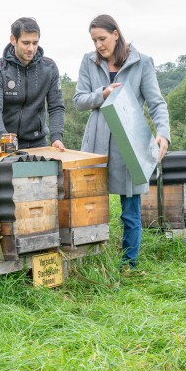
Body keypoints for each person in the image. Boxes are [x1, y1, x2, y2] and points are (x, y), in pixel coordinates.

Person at [73, 14, 170, 270]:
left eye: (102, 38)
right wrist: (102, 94)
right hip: (96, 143)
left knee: (130, 210)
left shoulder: (142, 63)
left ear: (116, 34)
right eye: (94, 40)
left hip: (130, 144)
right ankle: (91, 261)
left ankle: (129, 264)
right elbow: (79, 100)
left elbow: (157, 103)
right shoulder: (88, 62)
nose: (98, 45)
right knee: (91, 207)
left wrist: (163, 133)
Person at [0, 17, 65, 151]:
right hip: (5, 141)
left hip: (38, 142)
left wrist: (56, 137)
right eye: (26, 42)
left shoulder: (49, 68)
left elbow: (56, 106)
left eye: (35, 43)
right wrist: (2, 137)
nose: (31, 48)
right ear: (13, 40)